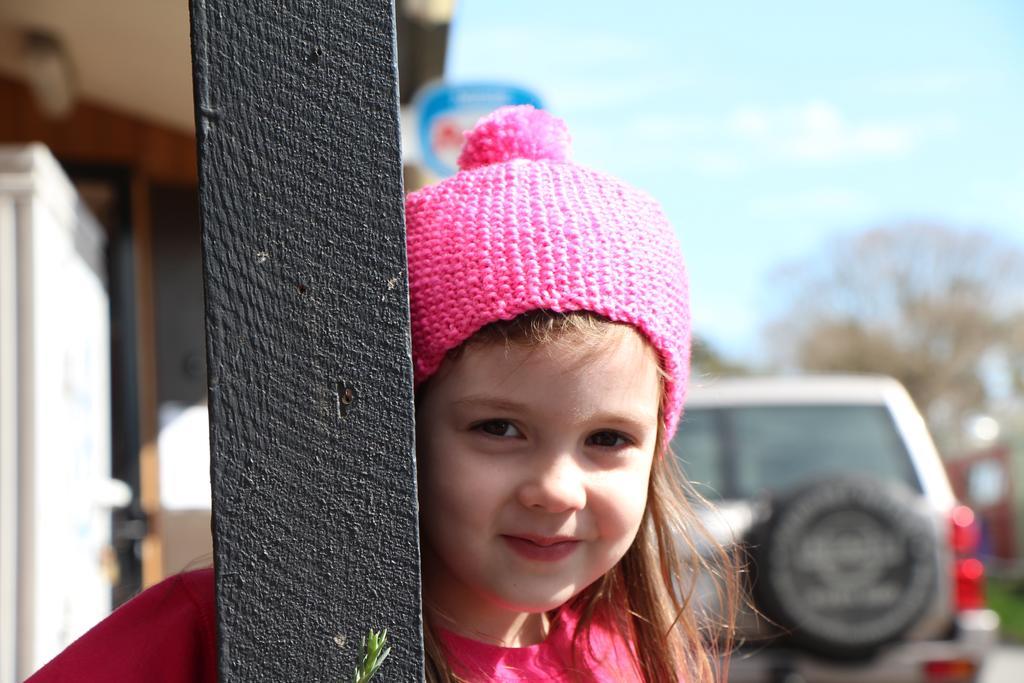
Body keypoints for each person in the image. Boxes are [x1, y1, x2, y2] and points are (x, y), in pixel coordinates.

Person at [27, 105, 738, 682]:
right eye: (498, 427)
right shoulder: (219, 628)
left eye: (608, 439)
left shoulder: (639, 660)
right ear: (402, 425)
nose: (556, 490)